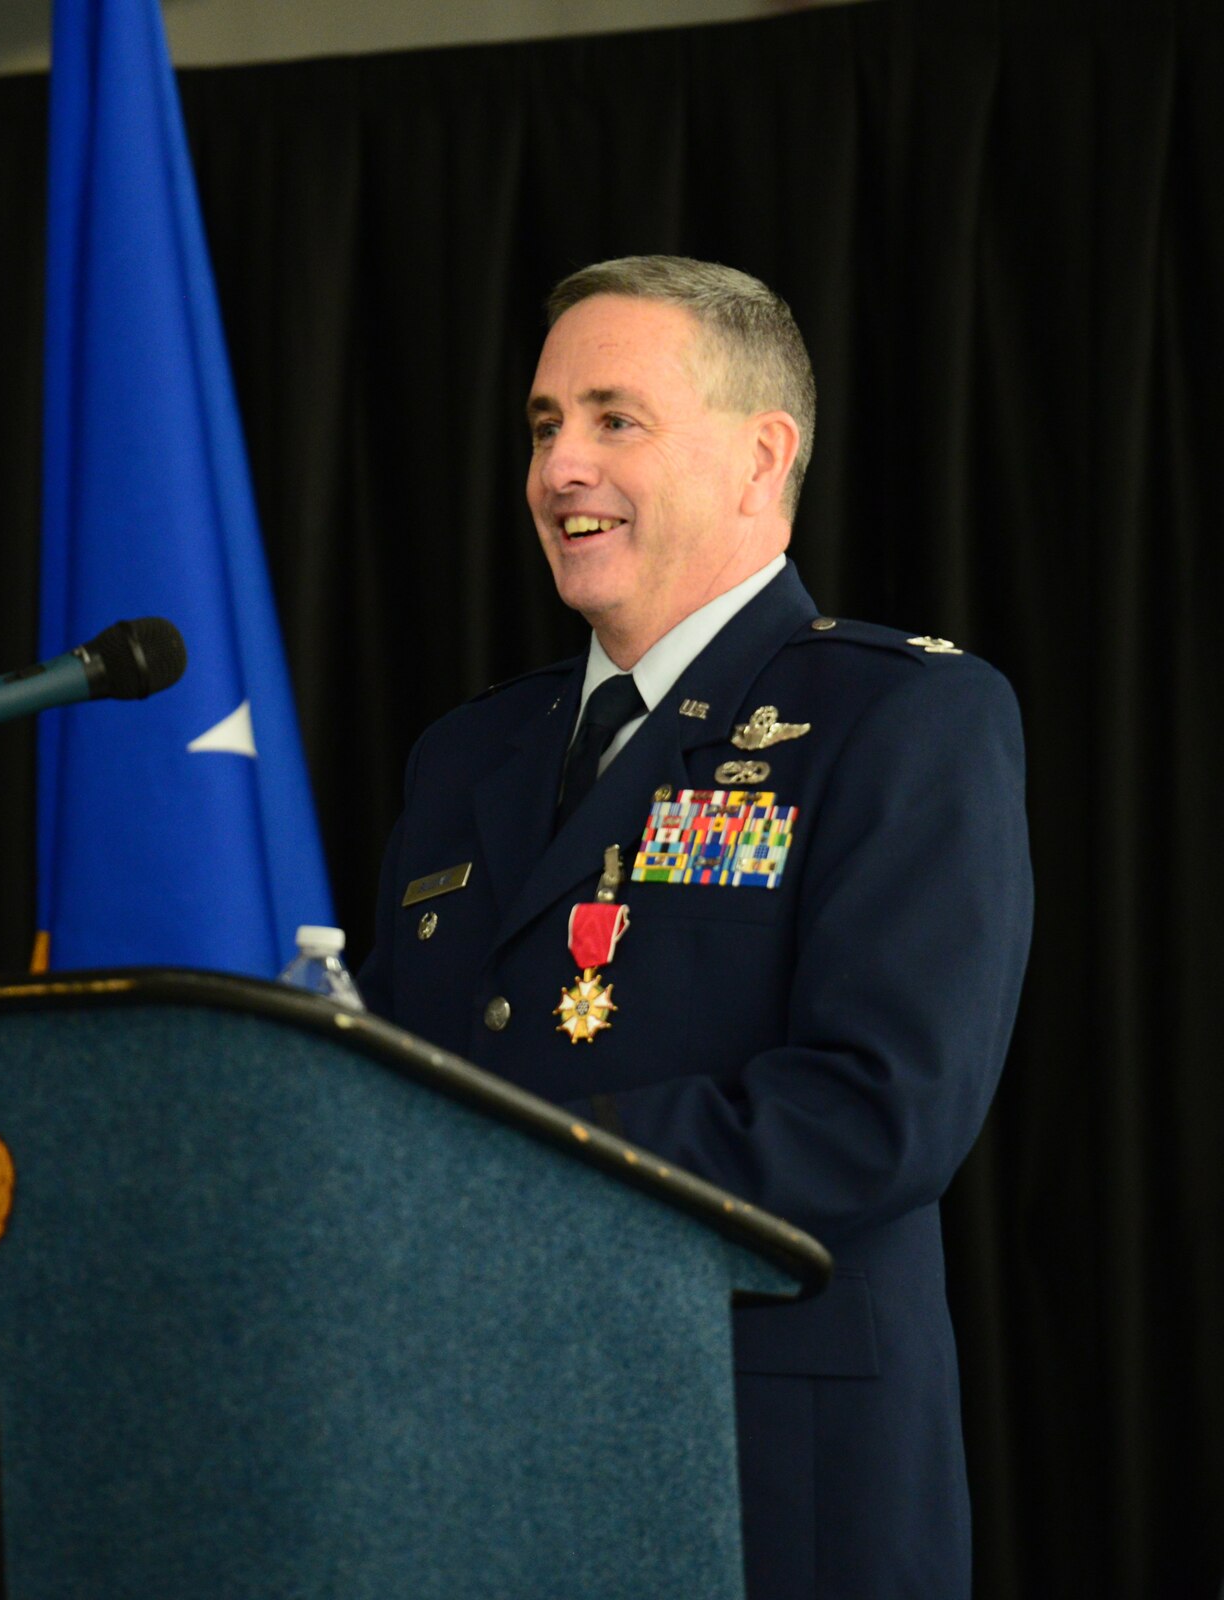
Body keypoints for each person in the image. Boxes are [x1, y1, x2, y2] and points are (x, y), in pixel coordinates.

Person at [356, 256, 1032, 1600]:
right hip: (468, 1453)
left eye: (617, 419)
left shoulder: (897, 718)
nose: (560, 469)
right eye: (546, 426)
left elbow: (878, 1110)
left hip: (758, 1461)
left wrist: (502, 1175)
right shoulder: (466, 754)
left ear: (759, 456)